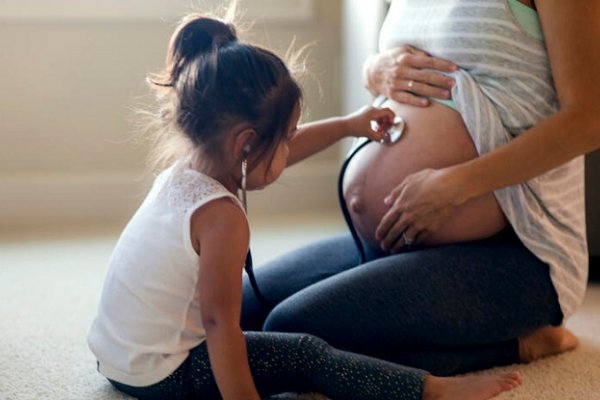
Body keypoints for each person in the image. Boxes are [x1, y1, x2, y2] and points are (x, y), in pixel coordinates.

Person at [86, 11, 524, 400]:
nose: (289, 148)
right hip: (163, 375)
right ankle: (429, 389)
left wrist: (350, 126)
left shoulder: (187, 171)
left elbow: (274, 153)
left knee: (256, 322)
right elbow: (219, 326)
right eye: (287, 135)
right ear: (247, 145)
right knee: (304, 354)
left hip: (118, 359)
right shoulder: (221, 219)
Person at [241, 0, 600, 376]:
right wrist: (374, 71)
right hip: (389, 239)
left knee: (287, 331)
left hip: (518, 250)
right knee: (237, 314)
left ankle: (521, 343)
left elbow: (589, 119)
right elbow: (409, 64)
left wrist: (456, 185)